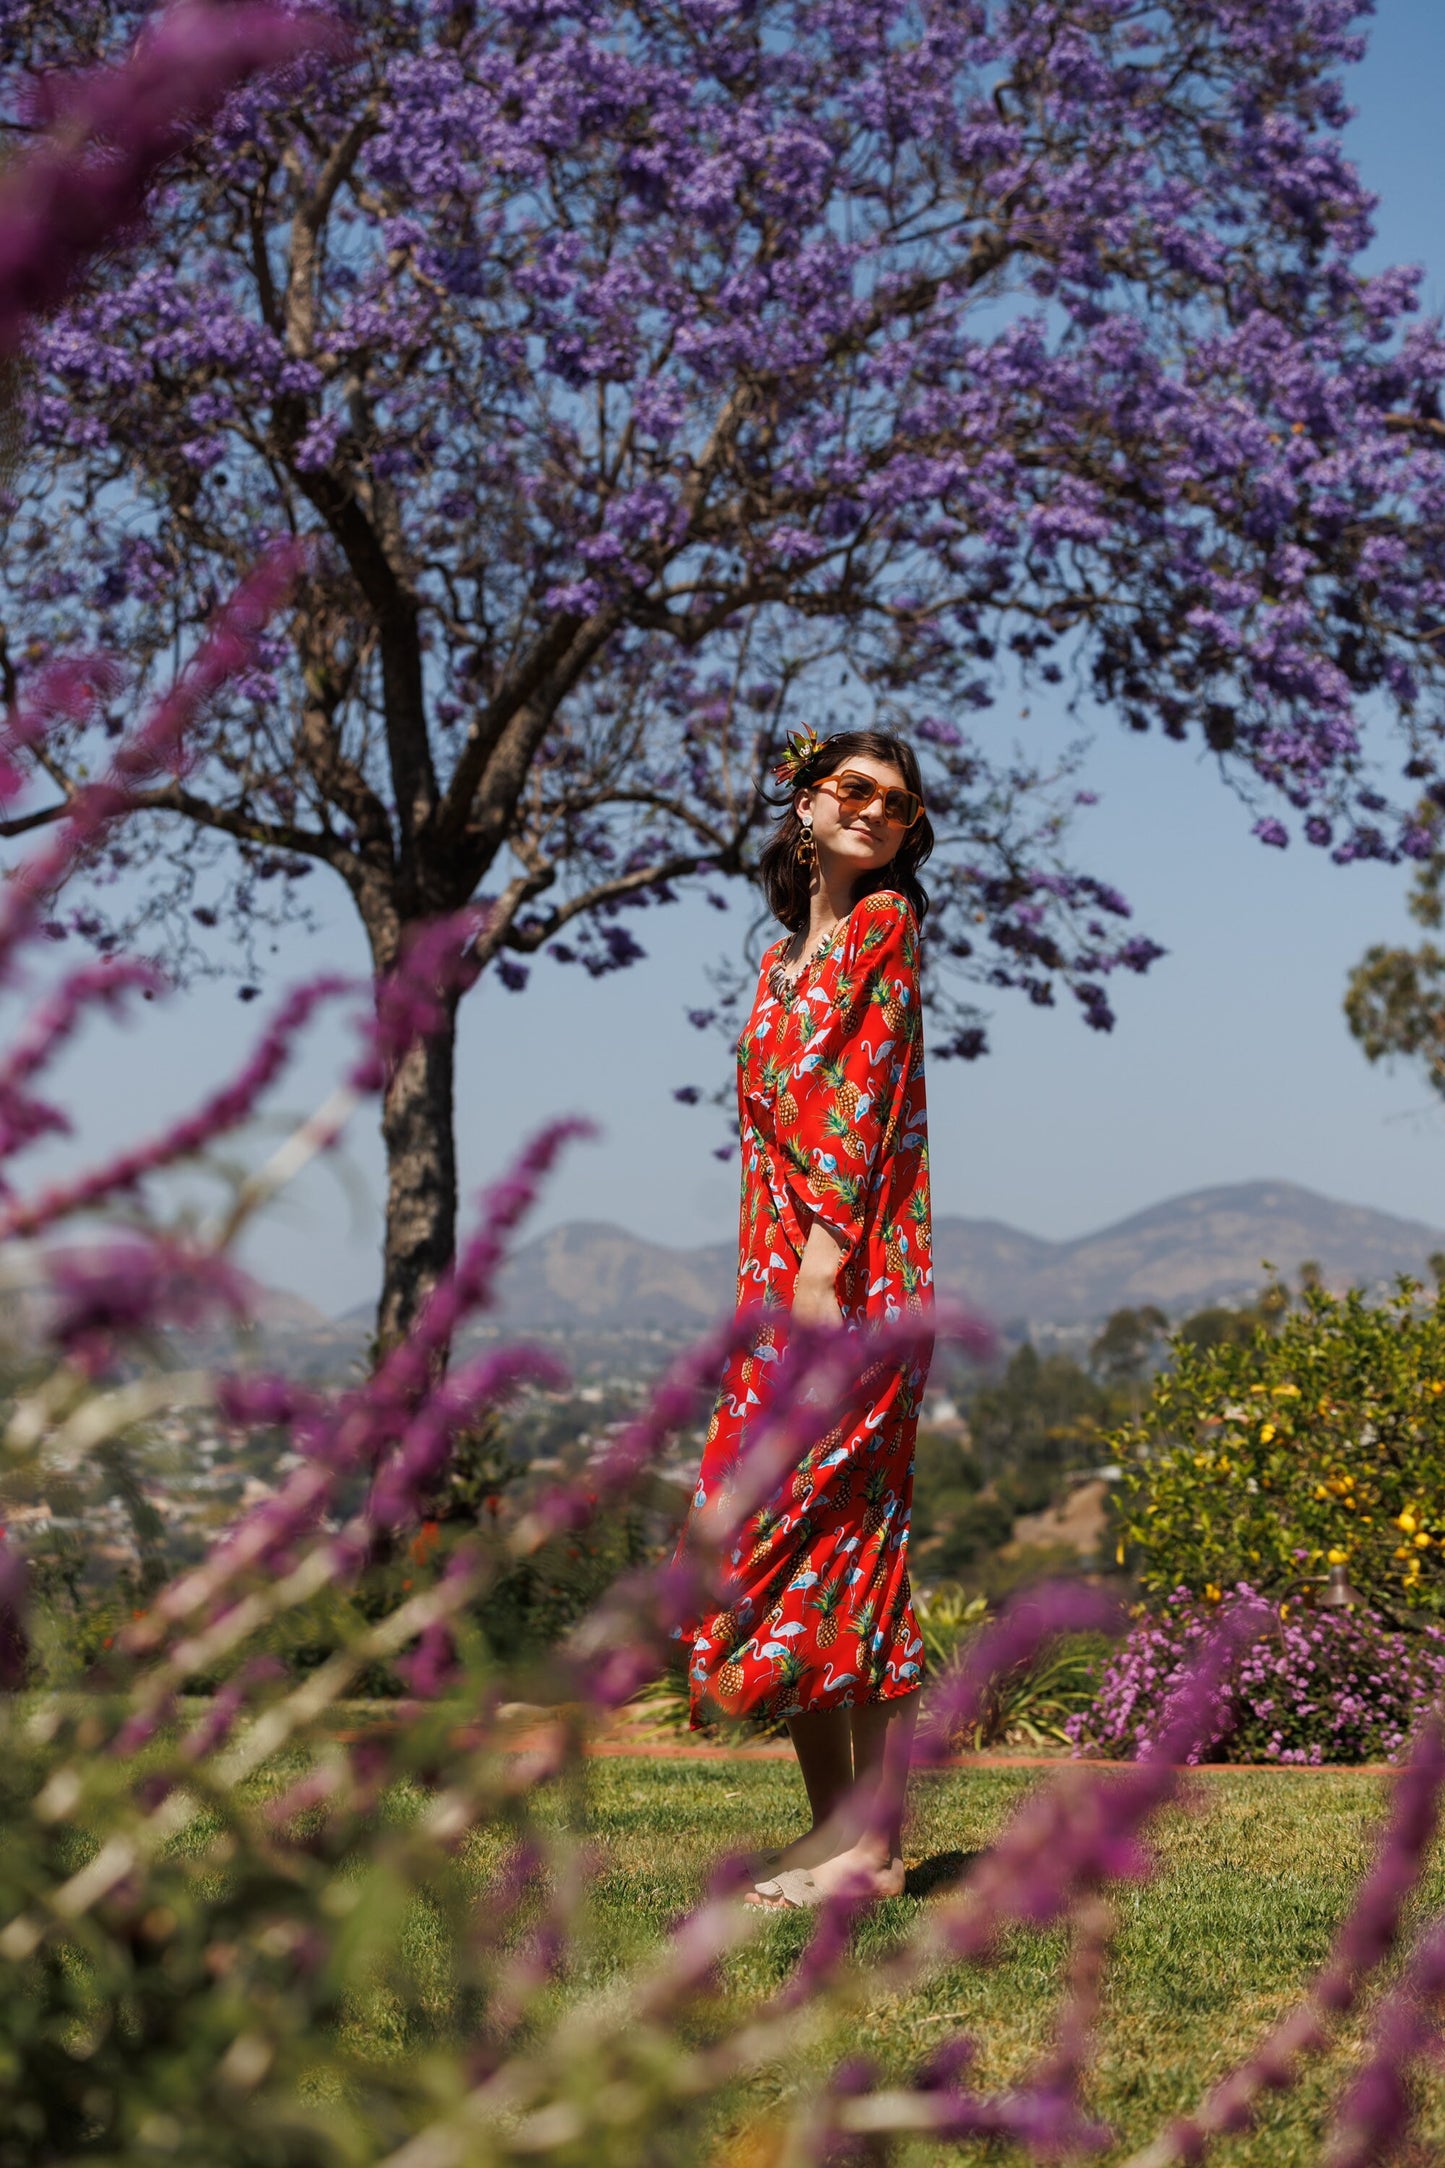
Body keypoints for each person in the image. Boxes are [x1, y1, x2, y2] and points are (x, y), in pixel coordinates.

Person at [679, 725, 935, 1909]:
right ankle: (830, 1823)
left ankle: (871, 1849)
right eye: (855, 790)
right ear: (804, 802)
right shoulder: (780, 965)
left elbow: (867, 1085)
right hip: (773, 1285)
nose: (877, 812)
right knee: (764, 1537)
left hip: (853, 1278)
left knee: (854, 1537)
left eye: (897, 804)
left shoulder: (885, 928)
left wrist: (827, 1258)